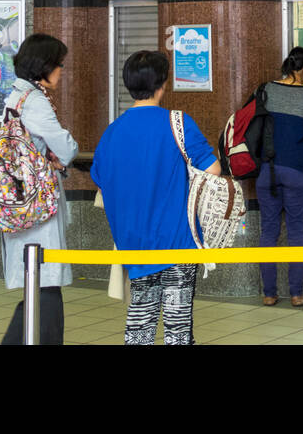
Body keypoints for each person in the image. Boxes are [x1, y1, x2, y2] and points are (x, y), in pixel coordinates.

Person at [91, 50, 220, 345]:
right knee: (178, 329)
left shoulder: (112, 133)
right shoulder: (178, 122)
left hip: (133, 244)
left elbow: (100, 183)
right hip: (177, 242)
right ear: (163, 83)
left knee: (140, 323)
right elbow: (212, 170)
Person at [0, 33, 78, 345]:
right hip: (37, 204)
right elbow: (65, 146)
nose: (61, 71)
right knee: (46, 283)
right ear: (43, 67)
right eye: (58, 65)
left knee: (40, 284)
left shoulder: (15, 97)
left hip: (19, 199)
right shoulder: (35, 101)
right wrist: (68, 147)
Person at [257, 46, 303, 307]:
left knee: (268, 232)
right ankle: (297, 294)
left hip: (267, 170)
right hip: (298, 170)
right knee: (297, 232)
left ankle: (268, 293)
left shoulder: (265, 90)